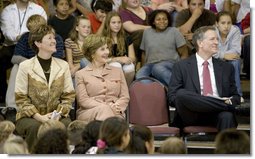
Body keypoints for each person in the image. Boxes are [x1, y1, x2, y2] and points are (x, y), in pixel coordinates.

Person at [168, 26, 249, 131]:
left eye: (217, 39)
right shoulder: (181, 66)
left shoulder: (226, 67)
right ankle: (224, 105)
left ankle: (227, 147)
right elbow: (172, 97)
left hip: (217, 113)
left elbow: (235, 96)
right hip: (191, 114)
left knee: (227, 116)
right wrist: (198, 102)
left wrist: (215, 104)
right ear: (200, 43)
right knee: (181, 94)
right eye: (212, 39)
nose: (216, 42)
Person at [14, 25, 75, 152]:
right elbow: (21, 98)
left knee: (65, 125)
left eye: (54, 37)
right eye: (50, 38)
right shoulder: (25, 66)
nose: (55, 41)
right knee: (35, 127)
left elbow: (68, 96)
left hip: (57, 114)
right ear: (38, 43)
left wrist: (57, 115)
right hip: (29, 117)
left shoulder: (63, 65)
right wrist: (39, 117)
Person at [4, 14, 65, 119]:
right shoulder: (25, 37)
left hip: (49, 68)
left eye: (37, 31)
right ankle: (12, 107)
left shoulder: (55, 38)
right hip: (29, 69)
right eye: (31, 31)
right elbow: (15, 58)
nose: (33, 34)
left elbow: (58, 59)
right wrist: (31, 64)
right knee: (16, 67)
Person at [0, 0, 47, 103]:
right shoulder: (7, 11)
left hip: (35, 44)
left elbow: (43, 29)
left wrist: (29, 37)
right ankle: (2, 96)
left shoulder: (38, 9)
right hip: (12, 45)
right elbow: (7, 31)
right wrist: (21, 37)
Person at [75, 34, 130, 122]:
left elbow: (125, 96)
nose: (107, 52)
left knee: (113, 118)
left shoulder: (117, 71)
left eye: (107, 48)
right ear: (92, 53)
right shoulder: (80, 74)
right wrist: (106, 107)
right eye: (102, 49)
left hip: (115, 112)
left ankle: (105, 134)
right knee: (106, 113)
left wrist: (116, 107)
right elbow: (83, 100)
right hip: (89, 112)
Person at [136, 9, 188, 87]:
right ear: (153, 21)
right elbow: (144, 53)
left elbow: (184, 53)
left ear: (168, 20)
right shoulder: (147, 32)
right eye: (158, 19)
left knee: (158, 68)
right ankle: (158, 90)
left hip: (170, 63)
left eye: (165, 19)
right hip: (150, 64)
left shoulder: (174, 31)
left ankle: (179, 87)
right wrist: (143, 67)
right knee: (139, 75)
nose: (162, 21)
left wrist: (181, 70)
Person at [214, 11, 243, 102]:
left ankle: (237, 94)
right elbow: (210, 52)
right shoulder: (211, 32)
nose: (226, 26)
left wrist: (221, 55)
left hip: (229, 59)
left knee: (235, 61)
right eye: (223, 23)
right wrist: (224, 56)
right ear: (217, 24)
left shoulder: (235, 30)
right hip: (215, 59)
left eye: (229, 23)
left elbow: (236, 50)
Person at [102, 11, 136, 86]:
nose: (117, 25)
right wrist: (118, 59)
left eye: (119, 22)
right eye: (113, 23)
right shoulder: (102, 39)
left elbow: (133, 57)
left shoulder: (127, 37)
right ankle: (116, 90)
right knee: (116, 65)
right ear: (108, 24)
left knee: (130, 67)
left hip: (123, 64)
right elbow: (101, 60)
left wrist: (128, 59)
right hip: (108, 65)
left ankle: (126, 89)